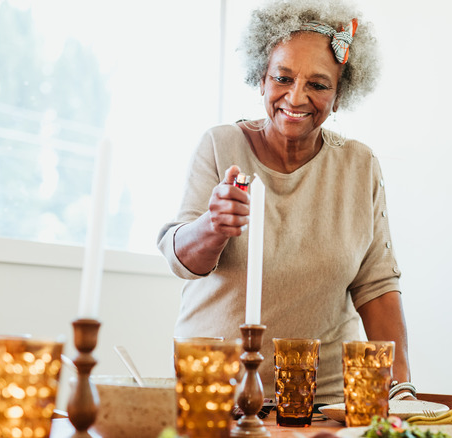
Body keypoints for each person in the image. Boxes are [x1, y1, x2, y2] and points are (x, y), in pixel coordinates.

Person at [157, 0, 414, 404]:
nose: (296, 98)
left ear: (339, 95)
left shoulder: (359, 165)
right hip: (214, 392)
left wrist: (401, 391)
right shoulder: (220, 145)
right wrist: (214, 225)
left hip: (322, 401)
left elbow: (376, 285)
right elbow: (182, 261)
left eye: (318, 84)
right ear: (261, 79)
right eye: (283, 77)